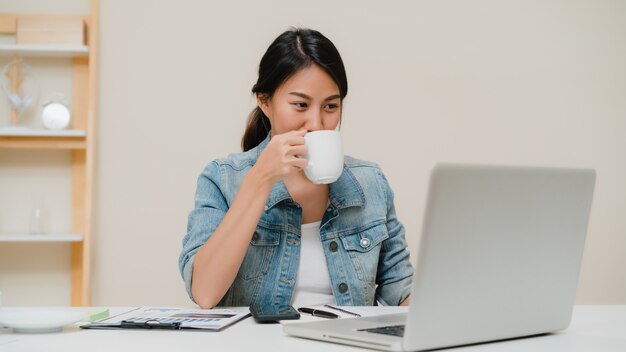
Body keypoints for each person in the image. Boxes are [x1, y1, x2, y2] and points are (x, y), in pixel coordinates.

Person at [179, 28, 413, 309]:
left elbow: (400, 294)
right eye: (300, 105)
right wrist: (260, 180)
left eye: (330, 106)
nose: (316, 123)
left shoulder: (371, 182)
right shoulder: (222, 178)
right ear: (265, 101)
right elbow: (205, 293)